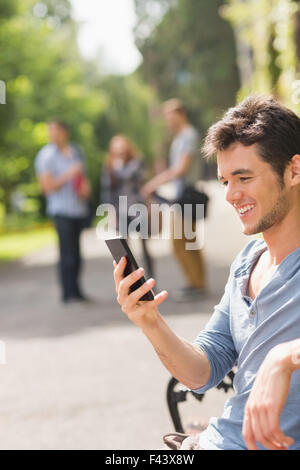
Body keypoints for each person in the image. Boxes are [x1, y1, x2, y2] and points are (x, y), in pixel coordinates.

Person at [112, 94, 300, 450]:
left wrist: (285, 357)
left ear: (293, 170)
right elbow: (201, 373)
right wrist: (150, 321)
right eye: (225, 180)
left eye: (243, 177)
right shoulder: (248, 261)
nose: (230, 195)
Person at [141, 98, 206, 302]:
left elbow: (181, 169)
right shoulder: (180, 138)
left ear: (181, 114)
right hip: (182, 195)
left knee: (181, 242)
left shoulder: (187, 135)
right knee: (188, 241)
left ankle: (195, 284)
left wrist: (155, 182)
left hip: (187, 194)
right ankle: (197, 283)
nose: (167, 120)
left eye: (170, 116)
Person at [35, 120, 91, 304]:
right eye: (50, 131)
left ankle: (77, 290)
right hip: (61, 210)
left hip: (78, 208)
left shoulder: (76, 151)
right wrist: (69, 174)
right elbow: (46, 187)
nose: (52, 135)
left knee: (76, 252)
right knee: (66, 253)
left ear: (65, 132)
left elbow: (82, 176)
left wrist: (85, 189)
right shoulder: (46, 156)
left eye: (56, 131)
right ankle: (68, 294)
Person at [101, 135, 154, 279]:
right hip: (121, 211)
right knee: (124, 251)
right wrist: (112, 213)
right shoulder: (110, 166)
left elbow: (141, 182)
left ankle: (150, 279)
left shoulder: (137, 162)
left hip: (138, 208)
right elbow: (108, 191)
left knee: (145, 248)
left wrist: (149, 207)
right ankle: (131, 282)